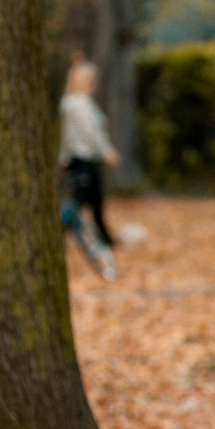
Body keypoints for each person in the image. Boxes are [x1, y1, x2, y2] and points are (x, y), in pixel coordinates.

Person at [59, 58, 119, 276]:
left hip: (86, 160)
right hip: (83, 160)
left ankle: (105, 241)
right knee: (75, 206)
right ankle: (68, 237)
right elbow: (87, 133)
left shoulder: (81, 103)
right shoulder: (76, 104)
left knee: (95, 202)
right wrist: (106, 151)